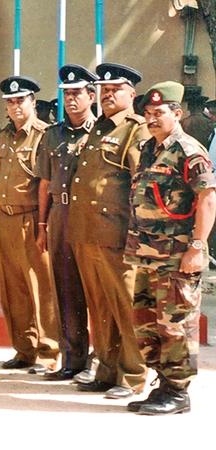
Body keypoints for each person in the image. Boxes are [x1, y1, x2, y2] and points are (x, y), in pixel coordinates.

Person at [124, 81, 216, 415]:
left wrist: (196, 247)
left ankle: (178, 392)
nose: (152, 119)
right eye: (147, 113)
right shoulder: (150, 148)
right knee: (147, 323)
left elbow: (208, 198)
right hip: (147, 254)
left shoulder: (189, 151)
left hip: (176, 255)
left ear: (176, 113)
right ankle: (162, 385)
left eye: (159, 113)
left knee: (175, 323)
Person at [67, 62, 149, 399]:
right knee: (99, 306)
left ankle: (134, 376)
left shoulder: (135, 130)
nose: (108, 94)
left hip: (116, 234)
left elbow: (139, 186)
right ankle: (106, 367)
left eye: (115, 89)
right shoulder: (99, 128)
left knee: (126, 305)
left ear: (131, 93)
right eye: (104, 89)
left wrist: (136, 234)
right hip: (88, 232)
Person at [0, 75, 59, 373]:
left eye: (21, 100)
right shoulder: (5, 135)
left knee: (41, 287)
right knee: (13, 288)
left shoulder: (45, 135)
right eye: (11, 102)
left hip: (32, 218)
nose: (15, 106)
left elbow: (47, 184)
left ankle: (48, 352)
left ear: (33, 102)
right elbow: (1, 179)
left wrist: (43, 225)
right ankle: (24, 349)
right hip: (5, 219)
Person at [35, 65, 96, 380]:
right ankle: (73, 359)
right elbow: (44, 183)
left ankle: (101, 362)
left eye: (77, 93)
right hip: (60, 217)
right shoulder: (52, 134)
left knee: (97, 290)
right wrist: (42, 226)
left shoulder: (100, 132)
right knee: (66, 288)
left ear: (91, 95)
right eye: (67, 93)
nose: (71, 99)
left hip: (92, 219)